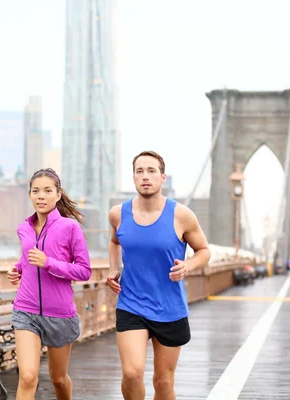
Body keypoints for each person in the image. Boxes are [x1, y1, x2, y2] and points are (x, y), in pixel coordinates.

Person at [106, 151, 211, 400]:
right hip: (132, 304)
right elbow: (114, 241)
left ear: (163, 177)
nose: (145, 176)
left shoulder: (181, 215)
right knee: (132, 373)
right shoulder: (118, 214)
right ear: (133, 178)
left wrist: (188, 265)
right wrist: (113, 268)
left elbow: (204, 251)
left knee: (163, 382)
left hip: (170, 307)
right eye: (140, 171)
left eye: (151, 171)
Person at [7, 168, 92, 400]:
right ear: (30, 195)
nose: (41, 196)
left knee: (58, 379)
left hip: (60, 315)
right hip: (26, 310)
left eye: (47, 191)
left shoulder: (69, 227)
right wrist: (17, 270)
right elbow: (27, 258)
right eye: (36, 191)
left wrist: (49, 263)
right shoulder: (23, 228)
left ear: (57, 195)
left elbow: (84, 271)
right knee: (27, 377)